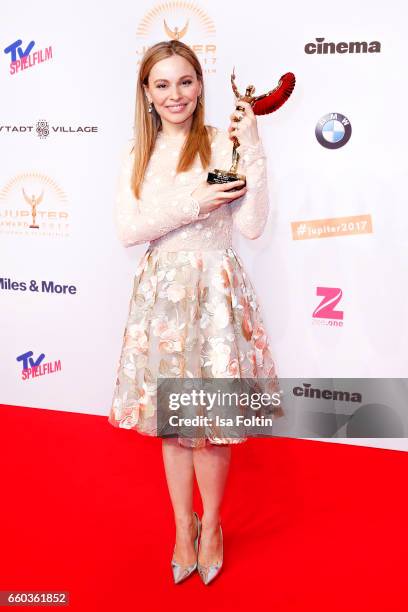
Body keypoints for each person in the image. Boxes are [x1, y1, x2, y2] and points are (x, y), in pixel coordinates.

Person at [108, 39, 283, 585]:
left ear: (200, 84)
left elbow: (252, 225)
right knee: (174, 426)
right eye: (162, 84)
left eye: (184, 81)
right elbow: (128, 230)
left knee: (210, 424)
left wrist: (252, 145)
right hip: (163, 295)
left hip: (214, 294)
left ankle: (213, 529)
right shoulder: (139, 153)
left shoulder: (220, 142)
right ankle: (184, 526)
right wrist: (195, 203)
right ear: (147, 93)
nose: (174, 94)